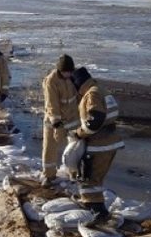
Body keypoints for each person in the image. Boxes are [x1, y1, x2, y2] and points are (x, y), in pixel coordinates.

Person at [68, 67, 124, 217]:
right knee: (96, 179)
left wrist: (79, 133)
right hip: (111, 141)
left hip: (99, 145)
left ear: (78, 83)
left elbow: (95, 120)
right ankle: (96, 208)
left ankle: (95, 212)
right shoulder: (101, 89)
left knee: (89, 180)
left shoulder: (91, 94)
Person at [41, 54, 79, 187]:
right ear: (59, 70)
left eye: (69, 71)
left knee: (76, 146)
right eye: (65, 72)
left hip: (72, 118)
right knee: (50, 147)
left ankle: (74, 172)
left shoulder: (73, 78)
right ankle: (49, 175)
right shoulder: (51, 80)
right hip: (54, 120)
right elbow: (52, 103)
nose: (67, 74)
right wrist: (56, 123)